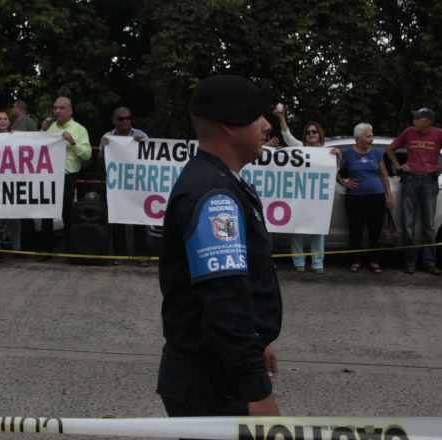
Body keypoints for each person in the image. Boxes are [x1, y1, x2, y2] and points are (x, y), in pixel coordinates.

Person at [157, 74, 282, 418]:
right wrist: (256, 389)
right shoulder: (214, 195)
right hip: (214, 383)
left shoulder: (222, 182)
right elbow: (224, 302)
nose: (267, 126)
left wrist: (260, 342)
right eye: (258, 116)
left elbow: (236, 286)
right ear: (230, 125)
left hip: (215, 371)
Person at [387, 107, 442, 275]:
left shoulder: (440, 134)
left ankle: (429, 262)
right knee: (408, 224)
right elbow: (391, 149)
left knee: (429, 225)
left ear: (426, 121)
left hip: (430, 182)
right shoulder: (408, 132)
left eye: (416, 118)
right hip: (410, 181)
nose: (413, 122)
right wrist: (398, 166)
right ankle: (410, 262)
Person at [273, 107, 340, 273]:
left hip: (317, 198)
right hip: (299, 196)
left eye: (314, 132)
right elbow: (287, 137)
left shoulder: (326, 153)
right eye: (308, 132)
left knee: (318, 230)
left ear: (320, 134)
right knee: (297, 229)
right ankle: (299, 263)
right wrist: (282, 117)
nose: (311, 134)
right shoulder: (300, 148)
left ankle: (318, 263)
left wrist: (339, 156)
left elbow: (334, 173)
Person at [36, 97, 92, 261]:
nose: (57, 111)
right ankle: (46, 251)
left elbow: (87, 155)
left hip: (67, 176)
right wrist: (42, 129)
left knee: (67, 214)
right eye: (55, 108)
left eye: (61, 108)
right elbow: (35, 146)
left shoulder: (79, 129)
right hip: (48, 175)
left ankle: (70, 252)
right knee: (46, 213)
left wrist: (72, 142)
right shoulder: (50, 127)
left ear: (70, 111)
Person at [336, 123, 394, 273]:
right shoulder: (348, 153)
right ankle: (355, 260)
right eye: (368, 136)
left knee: (375, 229)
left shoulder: (376, 153)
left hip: (376, 196)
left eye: (371, 136)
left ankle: (375, 260)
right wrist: (344, 183)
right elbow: (333, 170)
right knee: (356, 229)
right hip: (355, 197)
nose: (371, 139)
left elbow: (384, 175)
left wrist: (389, 196)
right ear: (358, 139)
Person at [99, 106, 150, 267]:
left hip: (137, 185)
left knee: (139, 219)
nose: (125, 121)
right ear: (114, 121)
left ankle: (141, 255)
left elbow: (150, 161)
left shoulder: (141, 135)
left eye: (128, 118)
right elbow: (101, 163)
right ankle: (120, 254)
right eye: (121, 119)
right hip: (117, 187)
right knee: (118, 220)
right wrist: (104, 150)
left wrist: (142, 145)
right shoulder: (107, 137)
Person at [0, 110, 24, 263]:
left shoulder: (16, 137)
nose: (2, 121)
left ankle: (17, 248)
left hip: (12, 182)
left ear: (9, 122)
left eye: (5, 119)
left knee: (15, 218)